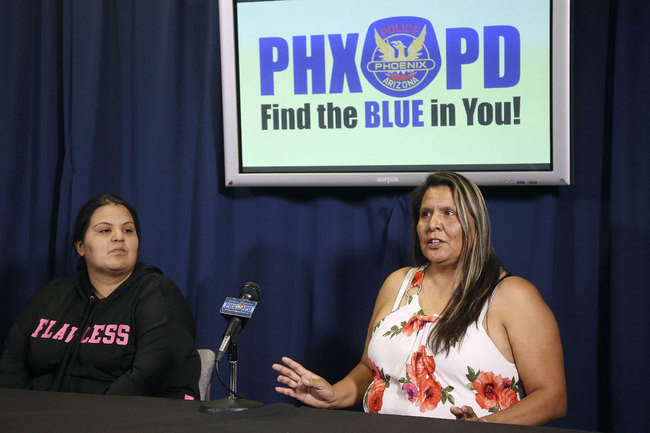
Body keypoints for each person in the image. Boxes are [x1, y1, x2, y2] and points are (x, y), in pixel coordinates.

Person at [273, 172, 567, 425]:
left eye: (448, 213)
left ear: (475, 225)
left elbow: (552, 397)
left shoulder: (512, 295)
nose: (432, 224)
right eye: (425, 214)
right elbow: (370, 368)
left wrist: (485, 426)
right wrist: (334, 395)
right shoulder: (398, 284)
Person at [0, 194, 200, 399]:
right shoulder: (52, 294)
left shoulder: (158, 293)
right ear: (80, 246)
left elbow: (148, 378)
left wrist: (82, 419)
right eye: (105, 230)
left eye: (128, 230)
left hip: (122, 420)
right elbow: (11, 363)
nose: (119, 237)